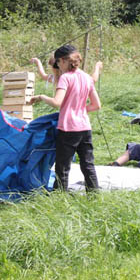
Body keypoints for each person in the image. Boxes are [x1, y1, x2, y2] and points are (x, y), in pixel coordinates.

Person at [30, 44, 101, 192]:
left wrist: (41, 97)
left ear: (62, 61)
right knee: (88, 164)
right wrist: (79, 109)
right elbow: (96, 105)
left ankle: (60, 196)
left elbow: (57, 102)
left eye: (57, 63)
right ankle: (94, 194)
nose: (57, 67)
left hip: (68, 128)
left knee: (63, 165)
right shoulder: (87, 78)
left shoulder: (65, 78)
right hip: (85, 127)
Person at [30, 57, 103, 85]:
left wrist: (37, 61)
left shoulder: (58, 78)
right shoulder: (71, 76)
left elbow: (43, 75)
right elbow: (93, 80)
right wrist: (97, 67)